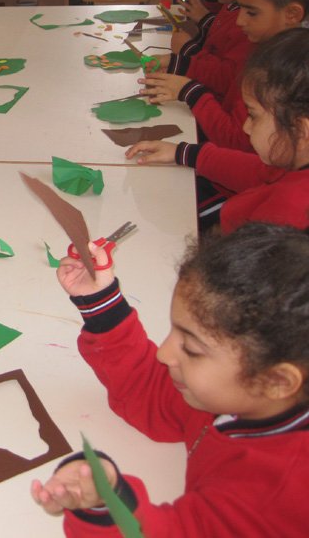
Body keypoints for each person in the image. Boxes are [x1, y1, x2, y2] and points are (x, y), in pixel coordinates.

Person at [31, 222, 309, 535]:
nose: (163, 353)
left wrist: (109, 504)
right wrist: (102, 303)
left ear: (277, 381)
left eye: (191, 348)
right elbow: (152, 395)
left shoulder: (275, 495)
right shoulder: (235, 394)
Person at [142, 0, 291, 154]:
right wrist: (203, 21)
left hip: (213, 131)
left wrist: (186, 60)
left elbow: (225, 79)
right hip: (210, 125)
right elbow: (220, 46)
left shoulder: (263, 54)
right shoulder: (241, 11)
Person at [127, 29, 309, 234]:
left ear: (300, 131)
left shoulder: (287, 215)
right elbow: (257, 171)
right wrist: (185, 153)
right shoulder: (291, 163)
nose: (246, 127)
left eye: (253, 115)